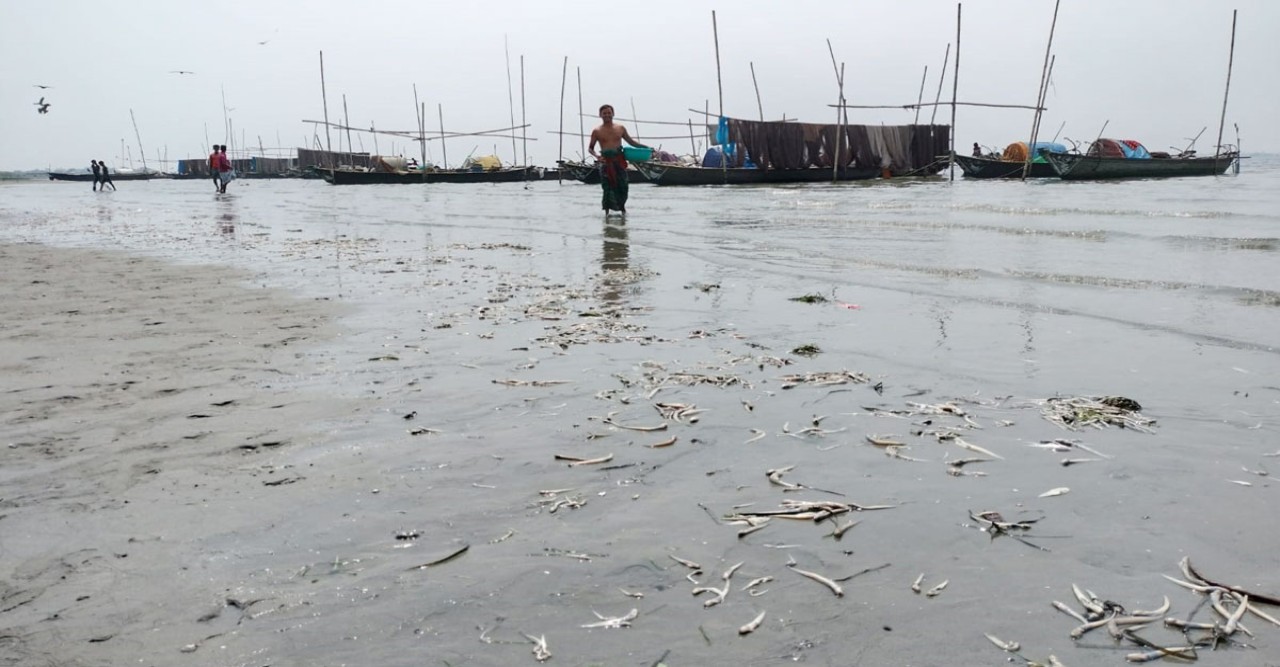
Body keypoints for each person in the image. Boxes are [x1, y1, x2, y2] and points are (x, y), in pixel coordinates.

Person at [588, 104, 649, 215]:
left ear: (613, 114)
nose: (607, 115)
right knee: (607, 188)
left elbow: (631, 142)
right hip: (606, 163)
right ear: (600, 115)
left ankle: (623, 211)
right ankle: (607, 214)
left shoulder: (620, 128)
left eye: (609, 113)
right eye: (604, 113)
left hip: (619, 161)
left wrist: (647, 148)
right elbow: (590, 148)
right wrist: (597, 156)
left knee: (623, 186)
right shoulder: (597, 131)